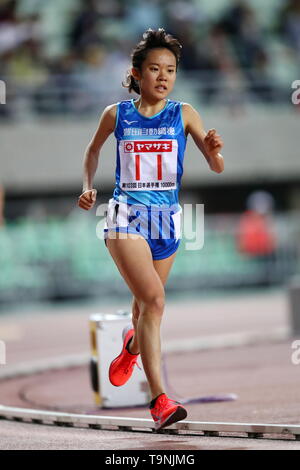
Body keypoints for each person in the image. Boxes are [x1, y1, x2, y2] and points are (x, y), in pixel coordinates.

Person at [78, 28, 224, 431]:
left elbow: (217, 166)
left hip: (167, 222)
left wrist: (213, 153)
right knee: (156, 303)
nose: (163, 77)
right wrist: (88, 187)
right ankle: (159, 401)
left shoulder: (186, 113)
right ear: (137, 73)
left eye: (171, 70)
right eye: (155, 69)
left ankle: (129, 348)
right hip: (125, 216)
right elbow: (92, 152)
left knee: (145, 311)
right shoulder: (116, 114)